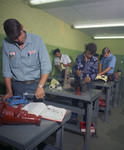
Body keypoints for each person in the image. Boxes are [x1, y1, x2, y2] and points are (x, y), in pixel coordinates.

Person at [2, 18, 52, 101]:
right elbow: (6, 69)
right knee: (18, 111)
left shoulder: (37, 40)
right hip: (17, 86)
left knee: (36, 111)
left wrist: (40, 86)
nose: (19, 40)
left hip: (35, 85)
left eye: (19, 35)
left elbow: (46, 65)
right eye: (15, 39)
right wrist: (9, 91)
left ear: (22, 27)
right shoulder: (6, 42)